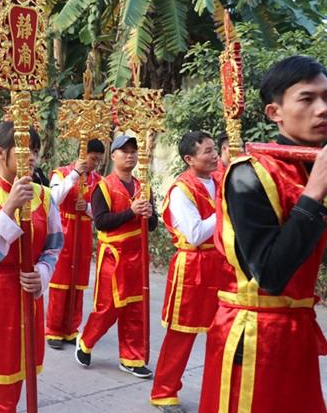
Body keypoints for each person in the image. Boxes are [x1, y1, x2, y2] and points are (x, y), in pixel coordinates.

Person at [200, 56, 327, 413]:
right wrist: (314, 194)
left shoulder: (308, 167)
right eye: (307, 98)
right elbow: (270, 275)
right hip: (256, 336)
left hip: (297, 330)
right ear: (274, 112)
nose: (324, 108)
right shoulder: (248, 174)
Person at [0, 121, 63, 412]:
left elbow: (54, 246)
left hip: (28, 295)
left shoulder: (45, 196)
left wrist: (42, 273)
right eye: (24, 149)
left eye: (35, 150)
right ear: (0, 153)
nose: (32, 157)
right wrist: (9, 207)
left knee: (18, 381)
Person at [150, 132, 227, 412]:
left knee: (224, 332)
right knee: (181, 335)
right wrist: (225, 209)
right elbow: (195, 234)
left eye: (214, 149)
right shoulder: (181, 190)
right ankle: (164, 392)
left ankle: (221, 395)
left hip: (221, 264)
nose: (214, 155)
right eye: (207, 151)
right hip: (193, 268)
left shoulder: (220, 180)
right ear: (189, 159)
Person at [75, 134, 157, 378]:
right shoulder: (104, 187)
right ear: (114, 156)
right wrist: (131, 212)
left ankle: (132, 358)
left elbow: (152, 225)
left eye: (133, 151)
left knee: (136, 308)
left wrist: (149, 214)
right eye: (124, 151)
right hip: (114, 256)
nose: (130, 156)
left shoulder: (144, 187)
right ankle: (86, 340)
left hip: (137, 255)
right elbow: (101, 222)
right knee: (109, 307)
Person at [45, 139, 105, 349]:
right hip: (63, 230)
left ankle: (71, 328)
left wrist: (87, 207)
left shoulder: (99, 181)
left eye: (98, 160)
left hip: (83, 233)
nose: (95, 164)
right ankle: (53, 329)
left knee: (78, 283)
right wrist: (74, 175)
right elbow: (53, 199)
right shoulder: (61, 174)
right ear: (82, 154)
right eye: (93, 158)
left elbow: (102, 213)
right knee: (60, 281)